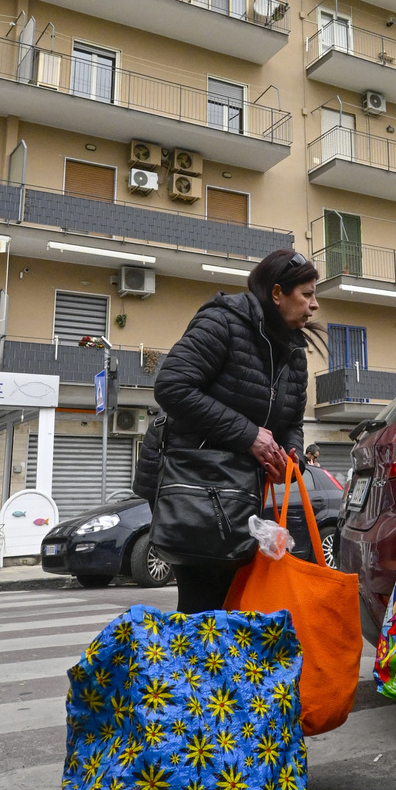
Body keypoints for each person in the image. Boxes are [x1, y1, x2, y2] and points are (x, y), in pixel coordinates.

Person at [139, 249, 320, 614]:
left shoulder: (294, 354)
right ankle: (194, 668)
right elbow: (172, 387)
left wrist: (290, 456)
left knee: (227, 602)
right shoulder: (224, 322)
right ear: (276, 293)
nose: (314, 305)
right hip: (194, 484)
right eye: (307, 294)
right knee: (205, 602)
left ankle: (211, 667)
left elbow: (292, 423)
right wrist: (250, 435)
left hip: (237, 491)